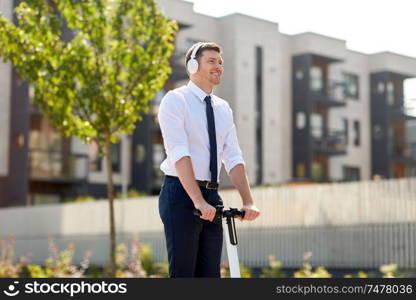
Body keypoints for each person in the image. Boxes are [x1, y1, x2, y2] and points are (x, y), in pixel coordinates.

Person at [157, 42, 260, 278]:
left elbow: (232, 156)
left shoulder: (223, 108)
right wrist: (197, 200)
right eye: (212, 61)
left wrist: (248, 201)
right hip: (181, 194)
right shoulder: (175, 100)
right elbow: (179, 153)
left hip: (212, 196)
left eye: (221, 62)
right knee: (184, 274)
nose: (219, 67)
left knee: (210, 274)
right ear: (193, 65)